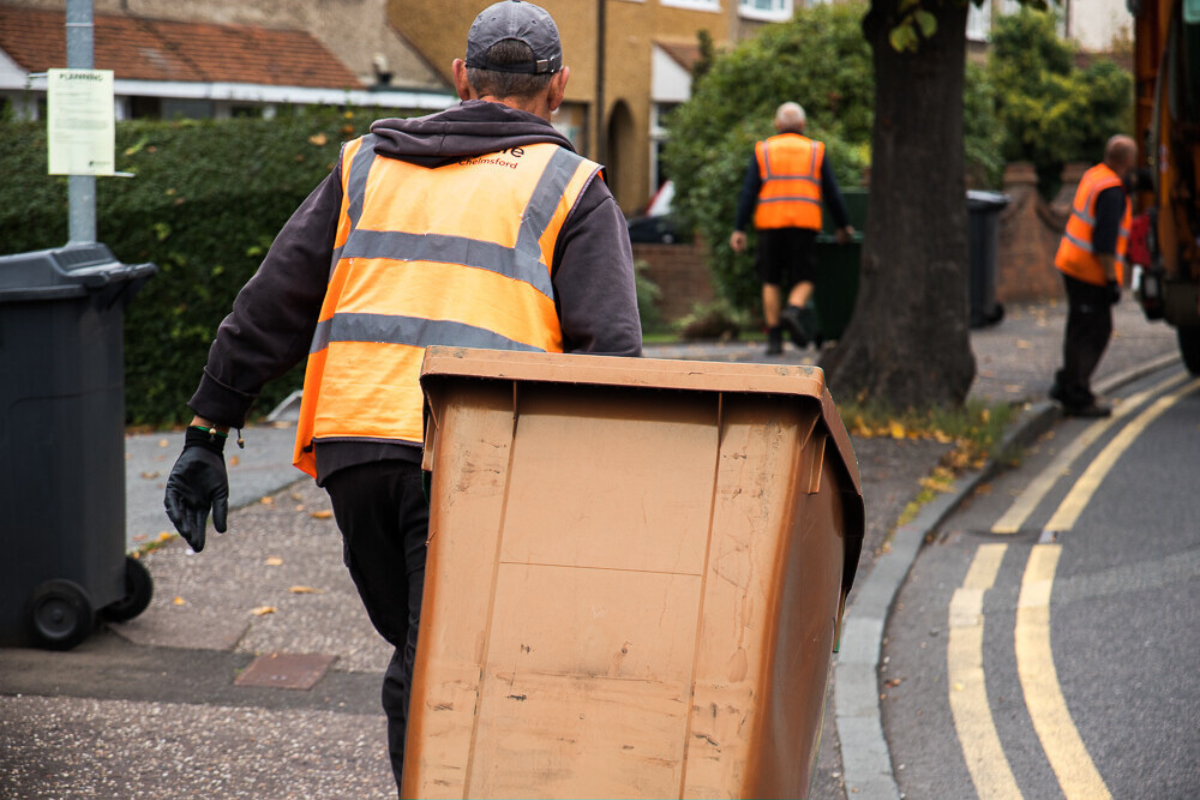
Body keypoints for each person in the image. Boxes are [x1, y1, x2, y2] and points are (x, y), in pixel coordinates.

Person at [162, 0, 642, 792]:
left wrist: (206, 430)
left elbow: (270, 304)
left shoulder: (364, 164)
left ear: (461, 77)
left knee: (429, 647)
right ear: (558, 88)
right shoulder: (571, 188)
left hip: (355, 449)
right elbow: (612, 358)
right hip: (474, 456)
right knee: (438, 666)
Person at [729, 102, 854, 355]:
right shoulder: (815, 150)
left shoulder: (763, 150)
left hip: (770, 224)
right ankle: (793, 310)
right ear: (802, 125)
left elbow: (748, 192)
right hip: (804, 223)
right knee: (805, 278)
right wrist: (843, 225)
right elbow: (831, 193)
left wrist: (739, 228)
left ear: (777, 125)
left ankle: (774, 340)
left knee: (770, 279)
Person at [1049, 134, 1137, 417]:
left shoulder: (1094, 176)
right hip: (1089, 271)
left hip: (1071, 263)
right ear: (1127, 161)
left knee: (1079, 327)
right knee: (1093, 332)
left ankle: (1067, 384)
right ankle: (1077, 394)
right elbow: (1104, 243)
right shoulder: (1112, 192)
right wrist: (1112, 281)